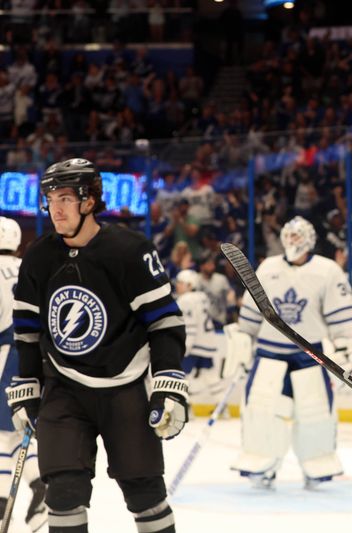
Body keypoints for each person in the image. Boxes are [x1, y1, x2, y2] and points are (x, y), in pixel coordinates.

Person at [6, 158, 188, 533]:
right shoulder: (38, 257)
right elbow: (26, 331)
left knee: (145, 493)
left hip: (125, 389)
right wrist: (27, 386)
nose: (55, 208)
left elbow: (165, 322)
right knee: (62, 492)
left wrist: (169, 383)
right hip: (64, 389)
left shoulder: (129, 250)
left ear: (89, 201)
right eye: (50, 198)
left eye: (66, 198)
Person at [231, 216, 352, 490]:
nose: (293, 242)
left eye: (298, 237)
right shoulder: (267, 267)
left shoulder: (328, 270)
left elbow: (342, 317)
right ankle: (260, 462)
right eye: (289, 236)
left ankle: (317, 464)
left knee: (315, 413)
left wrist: (346, 348)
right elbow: (251, 314)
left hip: (308, 354)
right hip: (269, 352)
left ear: (310, 240)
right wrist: (242, 345)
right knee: (261, 411)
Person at [0, 217, 47, 532]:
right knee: (17, 434)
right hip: (37, 358)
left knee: (2, 436)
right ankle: (40, 487)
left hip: (6, 358)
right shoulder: (30, 266)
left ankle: (2, 503)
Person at [175, 269, 225, 404]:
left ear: (190, 285)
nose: (177, 285)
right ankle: (222, 404)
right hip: (208, 342)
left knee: (181, 375)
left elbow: (190, 326)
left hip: (194, 345)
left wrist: (185, 347)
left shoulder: (185, 300)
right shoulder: (202, 296)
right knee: (210, 375)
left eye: (181, 283)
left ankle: (184, 406)